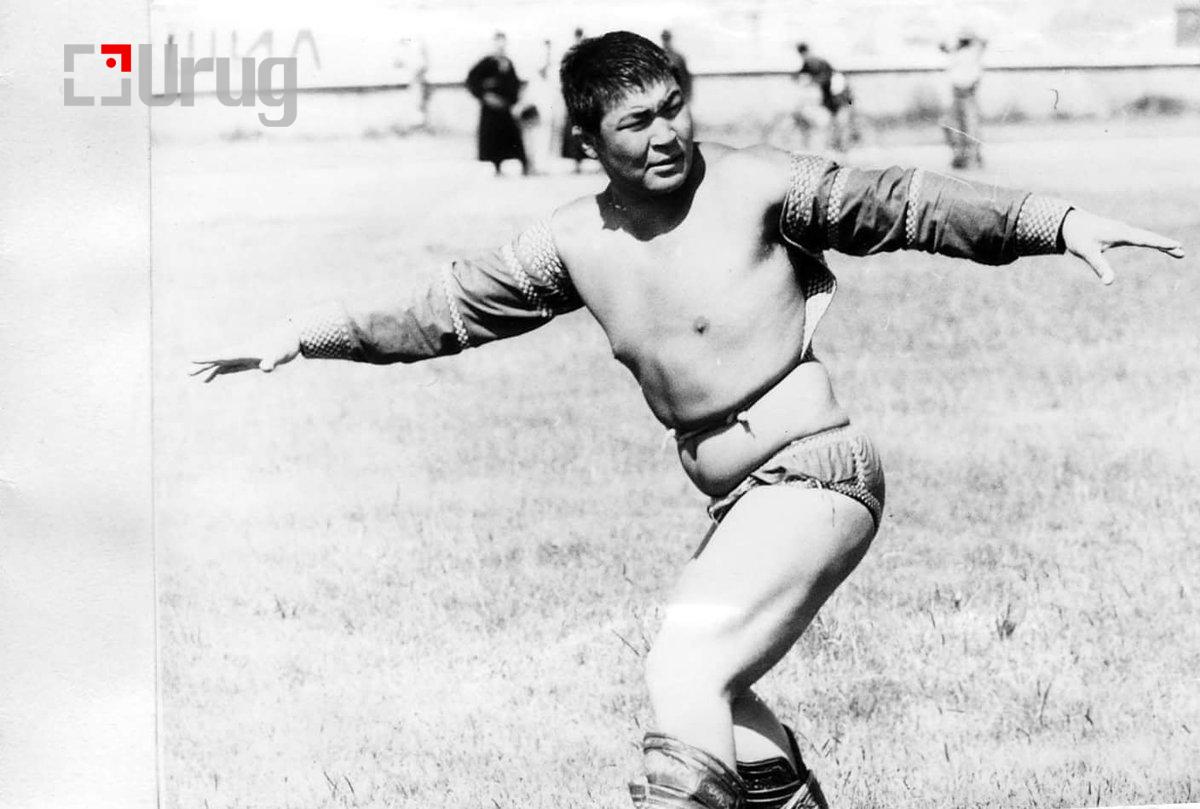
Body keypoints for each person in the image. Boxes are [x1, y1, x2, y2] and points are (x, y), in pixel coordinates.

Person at [193, 31, 1183, 809]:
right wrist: (306, 333)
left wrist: (1055, 221)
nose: (666, 135)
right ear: (587, 143)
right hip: (741, 499)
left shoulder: (756, 183)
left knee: (684, 670)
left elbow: (905, 204)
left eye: (674, 108)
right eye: (637, 123)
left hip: (816, 471)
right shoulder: (571, 243)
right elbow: (445, 310)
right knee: (721, 699)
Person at [466, 31, 528, 176]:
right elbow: (471, 81)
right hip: (490, 109)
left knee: (512, 136)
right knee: (492, 138)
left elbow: (514, 84)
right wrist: (485, 96)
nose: (500, 47)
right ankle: (497, 166)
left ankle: (524, 165)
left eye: (503, 44)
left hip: (504, 107)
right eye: (498, 43)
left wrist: (511, 99)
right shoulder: (486, 62)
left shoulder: (508, 63)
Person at [940, 29, 987, 169]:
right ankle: (959, 155)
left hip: (968, 93)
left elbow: (984, 42)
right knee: (950, 124)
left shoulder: (973, 52)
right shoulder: (956, 53)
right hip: (956, 93)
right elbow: (942, 46)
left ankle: (973, 156)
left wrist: (973, 36)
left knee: (970, 126)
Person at [795, 42, 853, 152]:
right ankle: (837, 147)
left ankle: (842, 148)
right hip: (831, 96)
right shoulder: (810, 63)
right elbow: (801, 76)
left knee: (840, 122)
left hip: (838, 96)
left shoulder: (816, 62)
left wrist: (812, 81)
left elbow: (826, 77)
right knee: (834, 122)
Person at [560, 27, 589, 172]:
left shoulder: (590, 56)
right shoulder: (570, 56)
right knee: (572, 130)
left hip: (586, 96)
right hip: (573, 97)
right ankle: (575, 161)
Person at [660, 29, 692, 103]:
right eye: (664, 38)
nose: (666, 41)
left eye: (667, 38)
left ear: (670, 39)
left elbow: (686, 79)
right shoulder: (657, 56)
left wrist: (687, 98)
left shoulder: (678, 58)